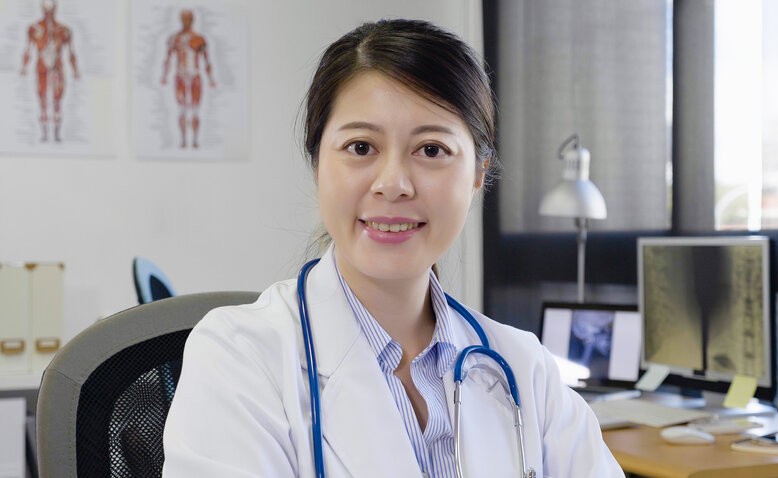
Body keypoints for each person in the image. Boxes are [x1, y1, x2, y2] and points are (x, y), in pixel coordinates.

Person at [163, 19, 623, 477]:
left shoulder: (525, 371)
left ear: (479, 173)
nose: (393, 184)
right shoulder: (238, 359)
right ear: (318, 162)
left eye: (431, 150)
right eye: (361, 147)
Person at [20, 0, 79, 143]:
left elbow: (71, 53)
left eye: (51, 10)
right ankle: (44, 133)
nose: (49, 14)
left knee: (57, 99)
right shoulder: (34, 28)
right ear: (42, 9)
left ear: (56, 9)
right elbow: (28, 50)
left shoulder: (64, 30)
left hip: (57, 67)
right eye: (46, 10)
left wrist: (75, 70)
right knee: (42, 98)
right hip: (41, 67)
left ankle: (57, 133)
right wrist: (24, 67)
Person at [160, 9, 215, 149]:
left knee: (195, 110)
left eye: (188, 18)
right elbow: (168, 58)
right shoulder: (174, 38)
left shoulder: (199, 39)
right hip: (180, 76)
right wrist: (164, 76)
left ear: (193, 20)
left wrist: (210, 79)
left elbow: (206, 60)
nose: (186, 21)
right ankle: (183, 140)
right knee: (181, 110)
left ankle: (195, 141)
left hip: (195, 76)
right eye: (184, 18)